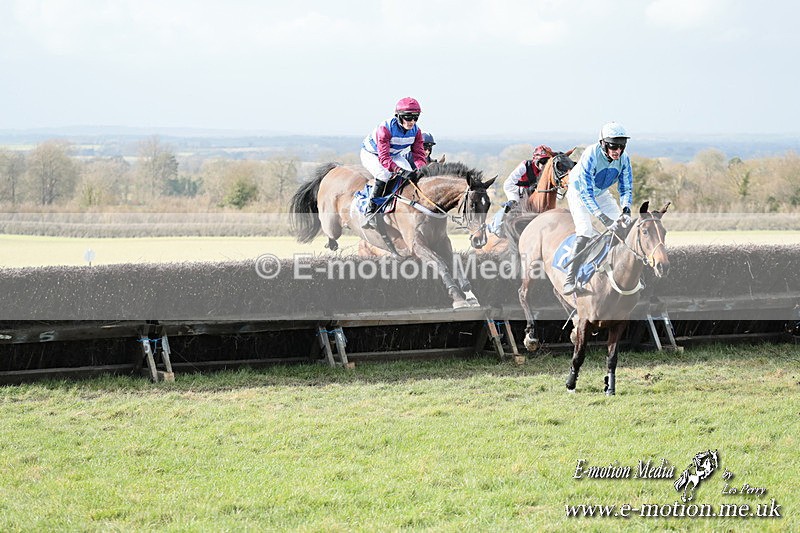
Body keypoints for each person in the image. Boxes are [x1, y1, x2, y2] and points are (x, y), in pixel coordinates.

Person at [562, 121, 633, 295]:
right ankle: (570, 279)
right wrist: (603, 218)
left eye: (621, 146)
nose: (618, 151)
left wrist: (626, 208)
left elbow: (626, 187)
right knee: (585, 230)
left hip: (601, 193)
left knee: (625, 228)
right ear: (603, 144)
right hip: (579, 193)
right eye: (613, 146)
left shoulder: (624, 159)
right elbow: (586, 193)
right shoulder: (591, 154)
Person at [361, 97, 428, 226]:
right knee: (384, 175)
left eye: (415, 118)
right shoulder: (385, 128)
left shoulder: (417, 131)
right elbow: (384, 158)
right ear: (398, 116)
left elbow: (419, 156)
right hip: (372, 154)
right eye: (408, 117)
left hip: (394, 155)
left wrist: (423, 170)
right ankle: (370, 211)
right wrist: (399, 170)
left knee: (411, 173)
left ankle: (396, 203)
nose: (412, 122)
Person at [488, 144, 555, 236]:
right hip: (515, 189)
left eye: (547, 162)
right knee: (514, 203)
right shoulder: (525, 165)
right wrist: (524, 190)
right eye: (543, 161)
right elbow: (508, 184)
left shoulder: (546, 171)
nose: (545, 165)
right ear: (536, 159)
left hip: (533, 192)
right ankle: (496, 226)